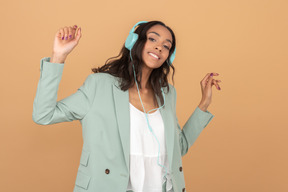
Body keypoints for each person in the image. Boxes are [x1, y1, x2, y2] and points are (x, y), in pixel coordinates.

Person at [32, 20, 221, 192]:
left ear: (169, 56)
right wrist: (58, 57)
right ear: (134, 42)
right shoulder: (99, 86)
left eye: (166, 46)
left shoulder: (167, 93)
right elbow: (43, 114)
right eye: (153, 39)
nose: (159, 47)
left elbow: (178, 148)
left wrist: (204, 104)